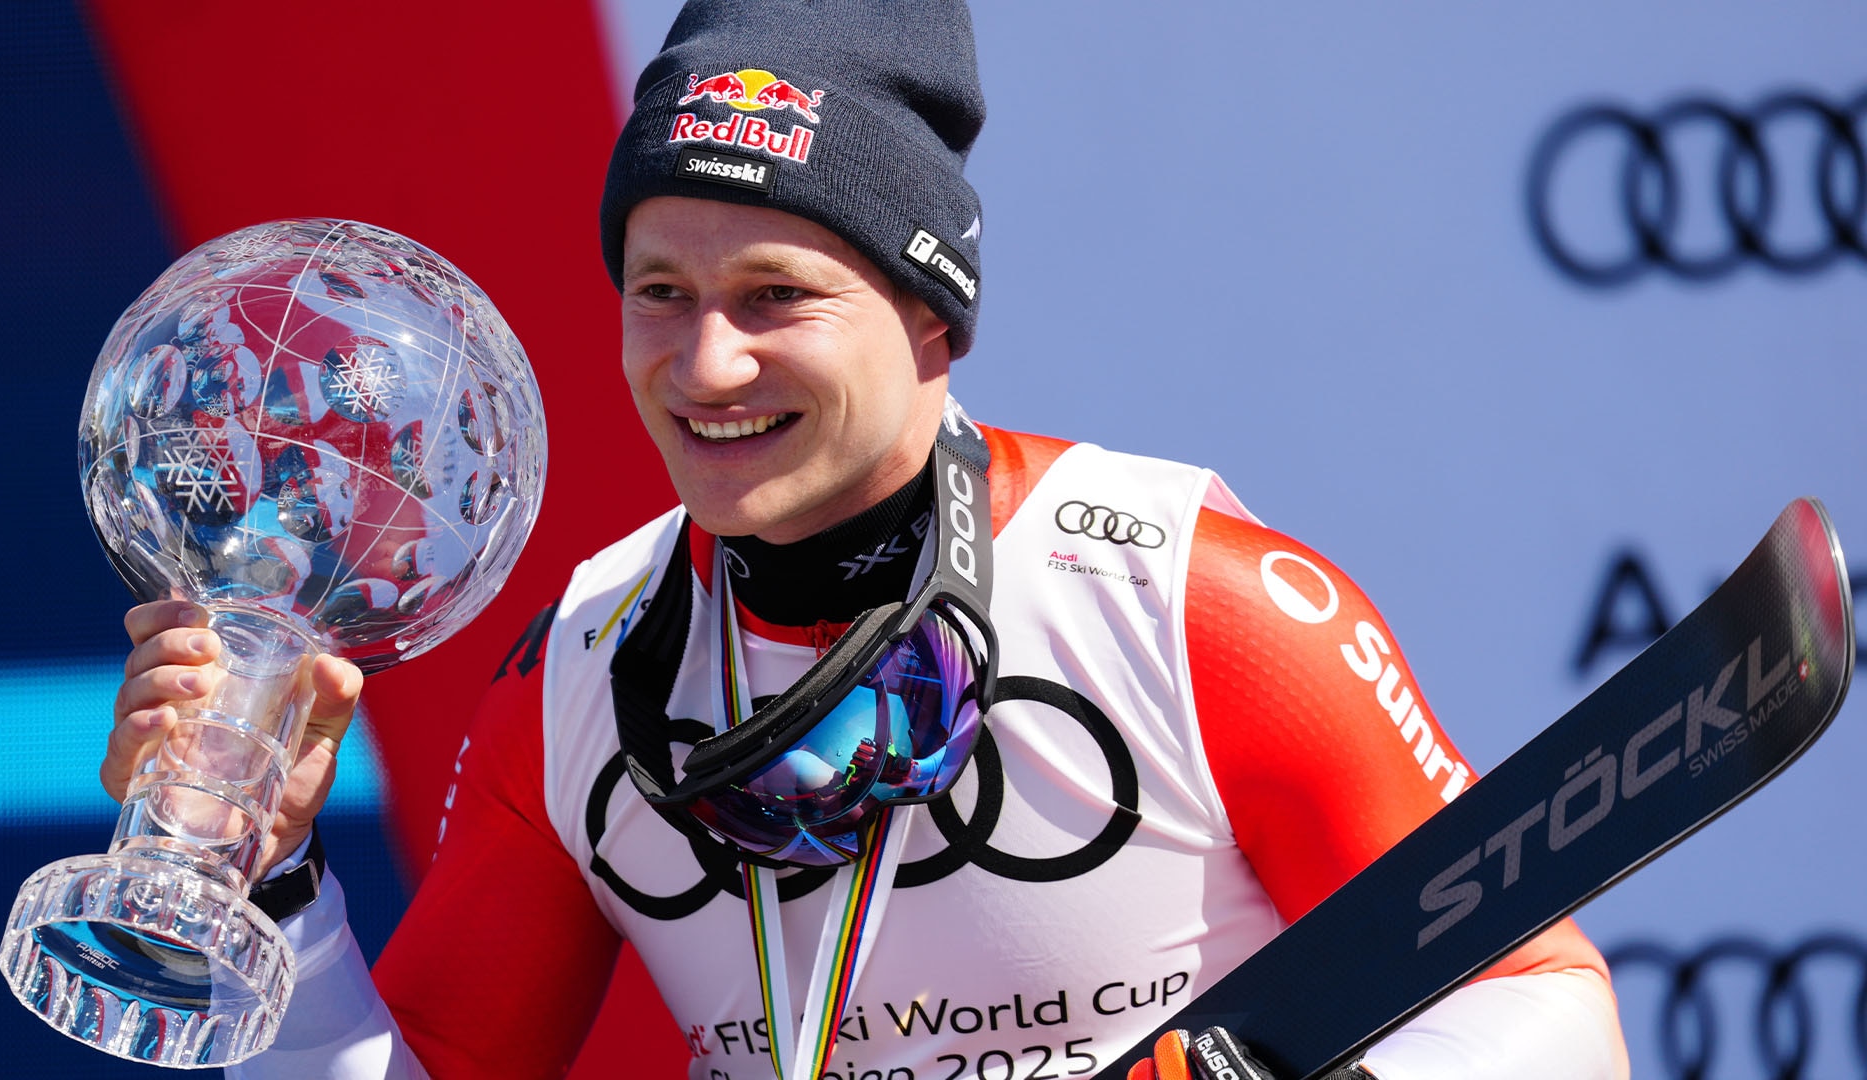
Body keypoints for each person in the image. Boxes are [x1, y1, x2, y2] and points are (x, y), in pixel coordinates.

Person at [102, 2, 1630, 1078]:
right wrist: (271, 888)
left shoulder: (1185, 603)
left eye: (777, 296)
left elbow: (1548, 1003)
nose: (706, 365)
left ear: (932, 319)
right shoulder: (579, 675)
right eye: (660, 293)